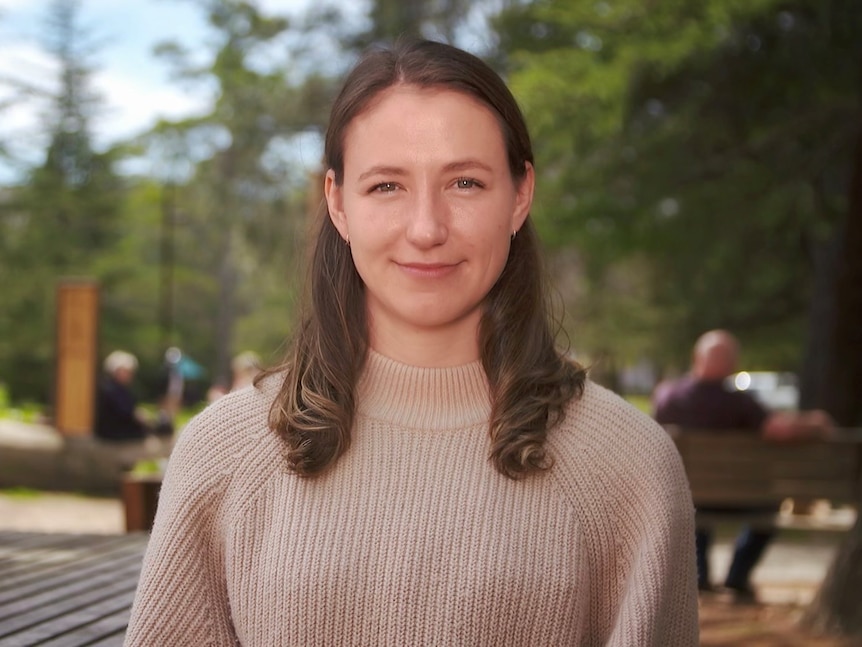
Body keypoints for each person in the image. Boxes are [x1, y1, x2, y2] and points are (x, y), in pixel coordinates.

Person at [125, 38, 698, 645]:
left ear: (520, 195)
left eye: (466, 183)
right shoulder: (226, 451)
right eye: (387, 187)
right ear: (337, 203)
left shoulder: (628, 466)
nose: (427, 229)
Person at [653, 329, 833, 599]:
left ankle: (699, 576)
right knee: (769, 504)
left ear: (696, 357)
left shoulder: (668, 398)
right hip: (736, 496)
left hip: (685, 494)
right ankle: (737, 577)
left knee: (692, 500)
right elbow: (779, 430)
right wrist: (816, 422)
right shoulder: (740, 404)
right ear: (732, 364)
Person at [94, 350, 149, 442]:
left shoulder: (117, 389)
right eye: (127, 371)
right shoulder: (110, 389)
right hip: (113, 434)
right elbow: (126, 413)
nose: (130, 375)